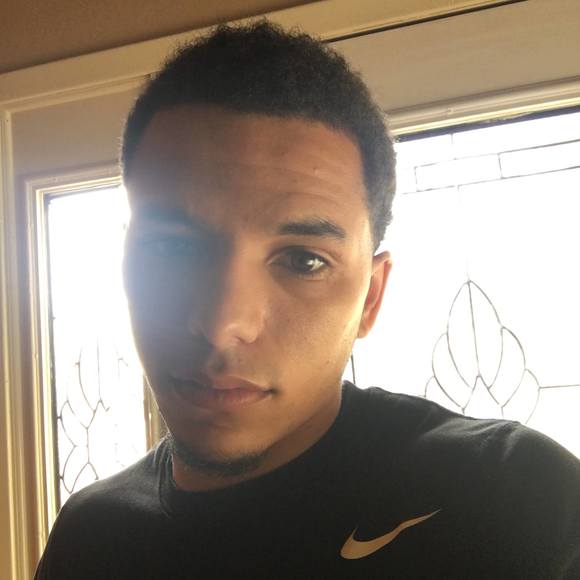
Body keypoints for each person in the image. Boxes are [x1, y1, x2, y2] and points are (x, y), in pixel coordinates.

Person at [35, 21, 580, 579]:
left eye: (303, 260)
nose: (223, 323)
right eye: (171, 247)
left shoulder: (510, 498)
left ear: (371, 297)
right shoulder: (89, 535)